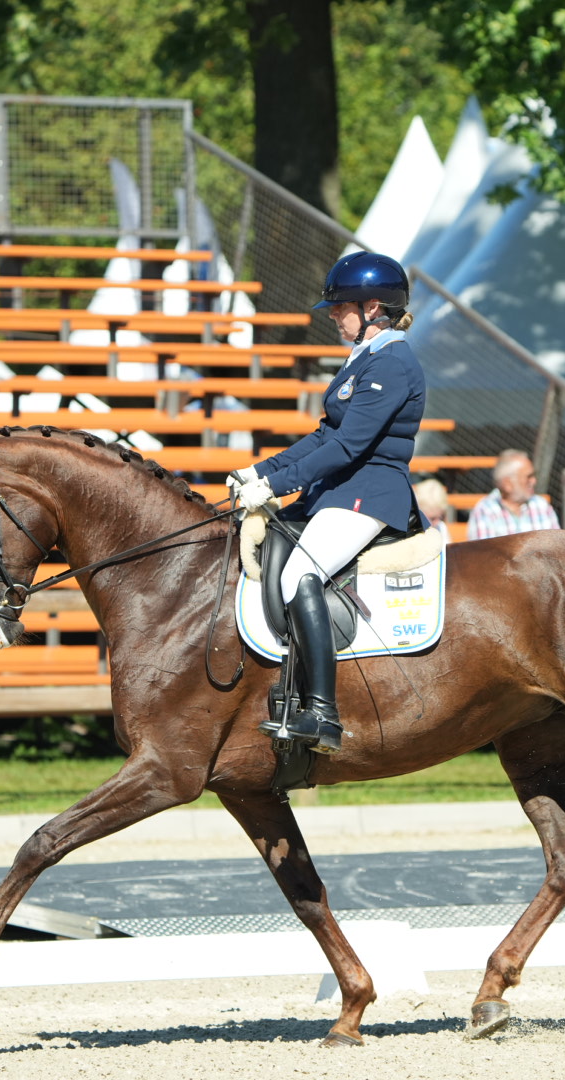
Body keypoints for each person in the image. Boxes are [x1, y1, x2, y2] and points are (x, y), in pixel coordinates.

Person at [225, 251, 425, 754]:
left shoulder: (394, 363)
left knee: (299, 577)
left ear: (373, 308)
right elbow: (322, 436)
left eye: (341, 308)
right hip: (337, 489)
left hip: (368, 494)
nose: (333, 316)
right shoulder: (364, 360)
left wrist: (275, 488)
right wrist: (261, 470)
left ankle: (322, 714)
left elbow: (348, 447)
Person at [467, 450, 561, 539]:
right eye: (528, 477)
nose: (534, 481)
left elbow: (557, 548)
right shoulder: (485, 510)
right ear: (507, 484)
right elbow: (484, 554)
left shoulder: (541, 506)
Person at [413, 477, 451, 541]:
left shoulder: (441, 528)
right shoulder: (409, 534)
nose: (437, 522)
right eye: (432, 518)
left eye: (441, 517)